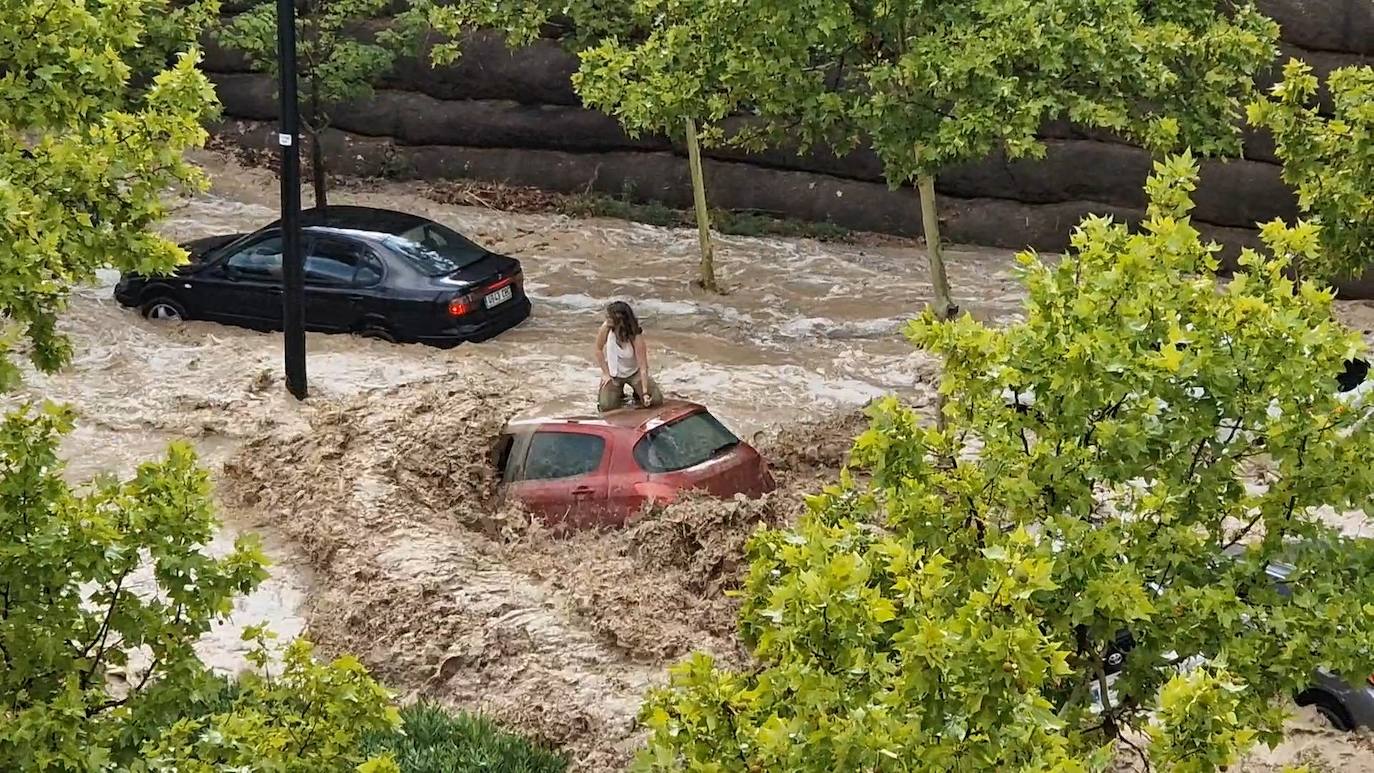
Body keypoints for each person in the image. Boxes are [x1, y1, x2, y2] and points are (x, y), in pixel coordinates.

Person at [595, 301, 663, 412]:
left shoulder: (635, 335)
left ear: (620, 320)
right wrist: (606, 373)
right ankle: (619, 394)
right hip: (614, 373)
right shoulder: (606, 328)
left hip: (634, 373)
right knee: (606, 406)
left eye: (610, 317)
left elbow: (643, 366)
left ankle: (637, 393)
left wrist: (645, 392)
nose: (607, 318)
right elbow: (598, 350)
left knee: (656, 400)